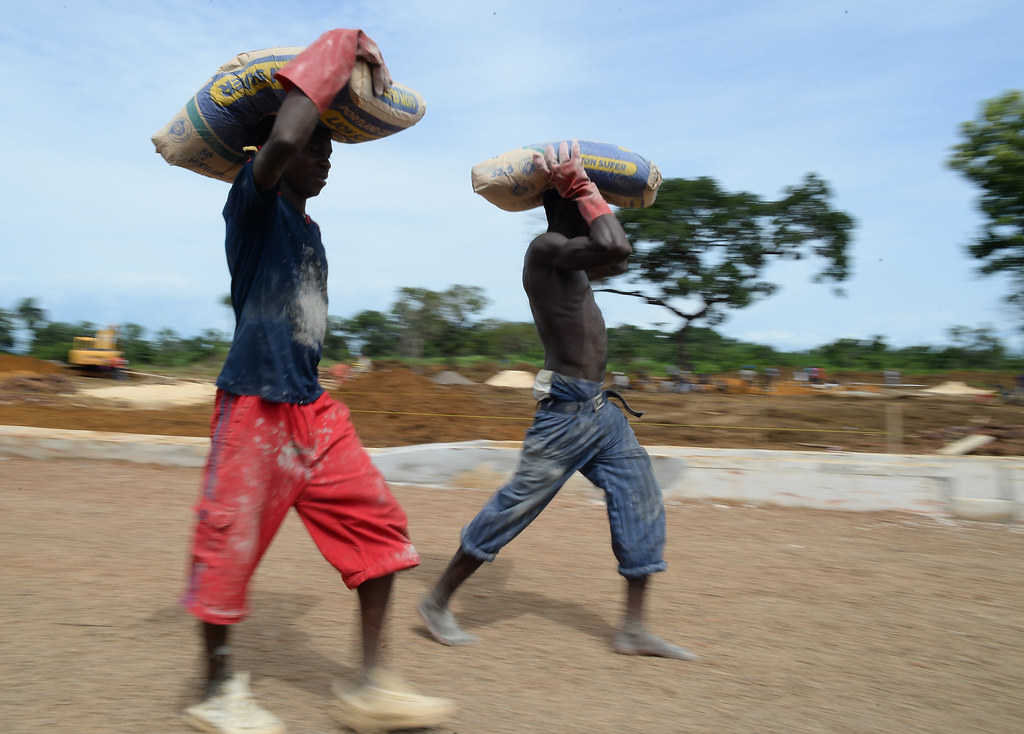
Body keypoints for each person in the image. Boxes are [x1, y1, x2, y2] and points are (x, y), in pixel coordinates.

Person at [179, 30, 454, 734]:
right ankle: (215, 691)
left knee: (381, 535)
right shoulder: (253, 204)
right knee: (227, 550)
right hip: (255, 407)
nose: (324, 158)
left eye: (331, 150)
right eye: (313, 146)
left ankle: (371, 686)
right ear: (271, 151)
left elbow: (295, 147)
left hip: (314, 411)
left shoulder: (309, 229)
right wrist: (339, 46)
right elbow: (277, 146)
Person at [417, 141, 697, 661]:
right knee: (515, 507)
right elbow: (617, 247)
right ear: (564, 202)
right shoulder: (545, 250)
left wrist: (585, 192)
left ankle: (633, 629)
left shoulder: (577, 262)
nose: (600, 212)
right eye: (589, 203)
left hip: (601, 412)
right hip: (566, 413)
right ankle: (436, 602)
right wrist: (582, 184)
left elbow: (613, 253)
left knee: (640, 499)